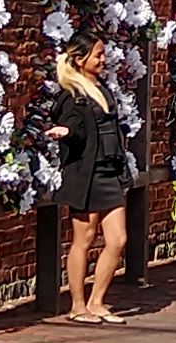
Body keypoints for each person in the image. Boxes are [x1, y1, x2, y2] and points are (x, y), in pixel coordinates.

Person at [51, 34, 138, 317]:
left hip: (110, 171)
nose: (103, 59)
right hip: (87, 175)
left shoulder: (103, 88)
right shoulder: (73, 93)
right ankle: (77, 305)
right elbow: (74, 125)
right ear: (80, 59)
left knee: (118, 239)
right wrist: (67, 132)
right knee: (84, 238)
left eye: (103, 54)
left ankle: (97, 301)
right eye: (97, 55)